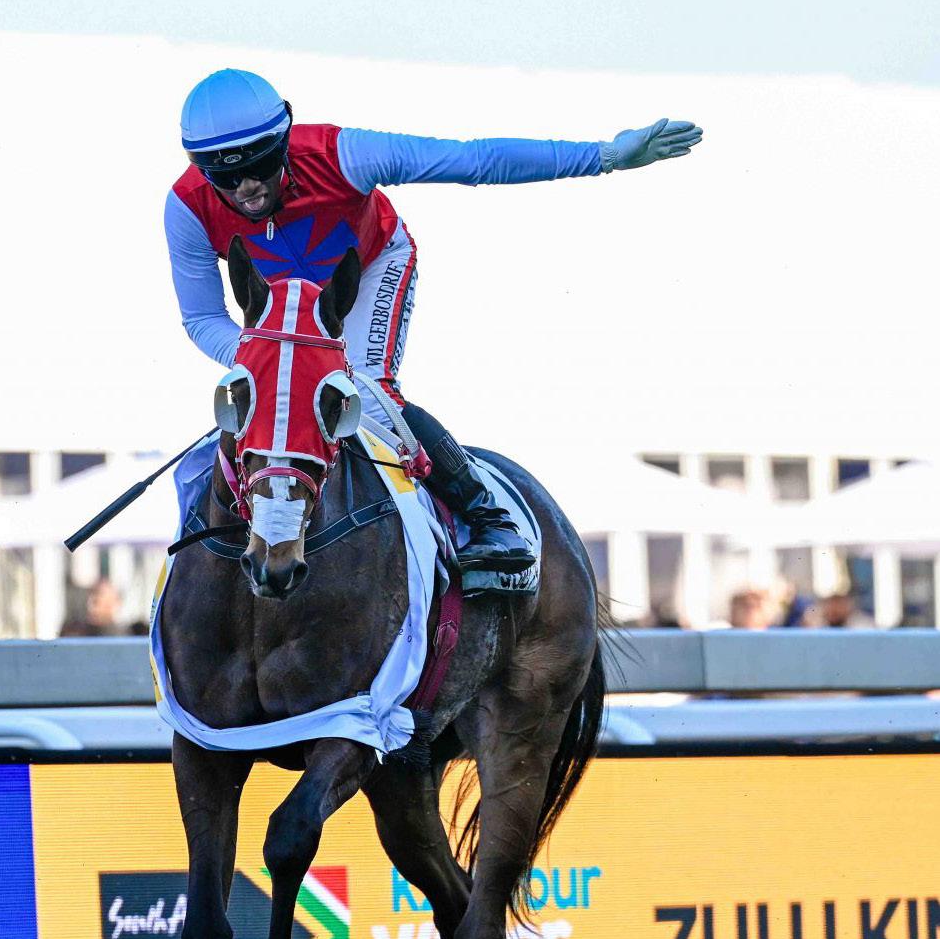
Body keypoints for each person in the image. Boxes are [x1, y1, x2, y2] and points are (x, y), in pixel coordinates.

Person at [166, 70, 702, 577]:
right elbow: (203, 318)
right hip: (282, 318)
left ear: (284, 141)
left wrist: (606, 156)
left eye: (260, 165)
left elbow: (472, 161)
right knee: (265, 406)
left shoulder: (341, 155)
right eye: (224, 176)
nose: (246, 188)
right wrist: (270, 356)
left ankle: (489, 515)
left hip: (371, 267)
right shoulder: (186, 207)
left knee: (367, 389)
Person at [60, 578, 125, 637]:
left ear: (114, 603)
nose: (90, 607)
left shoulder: (124, 635)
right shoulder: (73, 632)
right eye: (89, 599)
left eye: (96, 602)